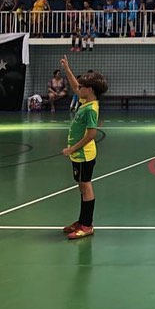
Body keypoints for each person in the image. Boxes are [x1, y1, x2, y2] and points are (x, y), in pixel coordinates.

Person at [59, 55, 108, 240]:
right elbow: (74, 86)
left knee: (86, 187)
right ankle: (81, 221)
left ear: (91, 90)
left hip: (84, 154)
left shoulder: (91, 108)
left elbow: (91, 134)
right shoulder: (86, 100)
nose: (79, 88)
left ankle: (87, 225)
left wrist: (72, 149)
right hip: (78, 155)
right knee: (81, 186)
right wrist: (67, 69)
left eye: (83, 87)